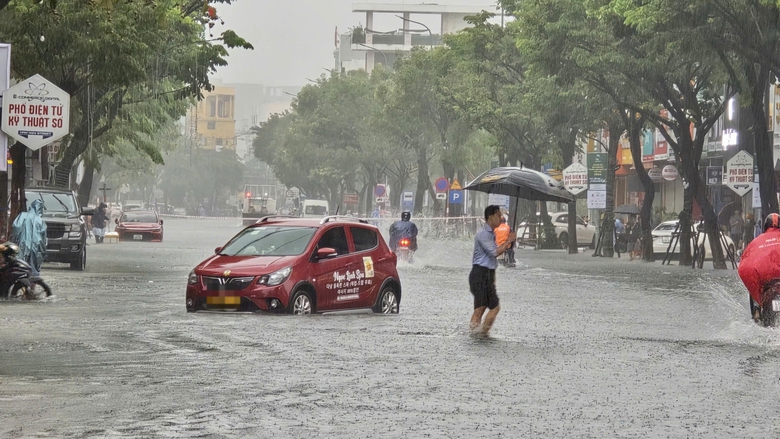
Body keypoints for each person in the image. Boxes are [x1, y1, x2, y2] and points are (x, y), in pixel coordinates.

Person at [469, 205, 517, 337]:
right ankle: (479, 334)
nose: (500, 218)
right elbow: (494, 252)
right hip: (480, 273)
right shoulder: (483, 234)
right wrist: (509, 240)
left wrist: (510, 242)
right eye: (498, 215)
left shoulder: (491, 234)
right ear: (490, 217)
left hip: (487, 274)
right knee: (486, 308)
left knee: (484, 307)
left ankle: (479, 333)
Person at [738, 213, 780, 322]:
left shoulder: (756, 241)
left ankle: (756, 312)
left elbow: (746, 261)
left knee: (754, 285)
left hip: (765, 277)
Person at [10, 199, 47, 277]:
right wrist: (43, 252)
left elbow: (15, 228)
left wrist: (15, 242)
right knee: (34, 271)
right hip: (36, 249)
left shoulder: (22, 215)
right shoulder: (40, 221)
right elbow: (43, 239)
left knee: (20, 268)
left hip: (21, 246)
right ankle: (32, 288)